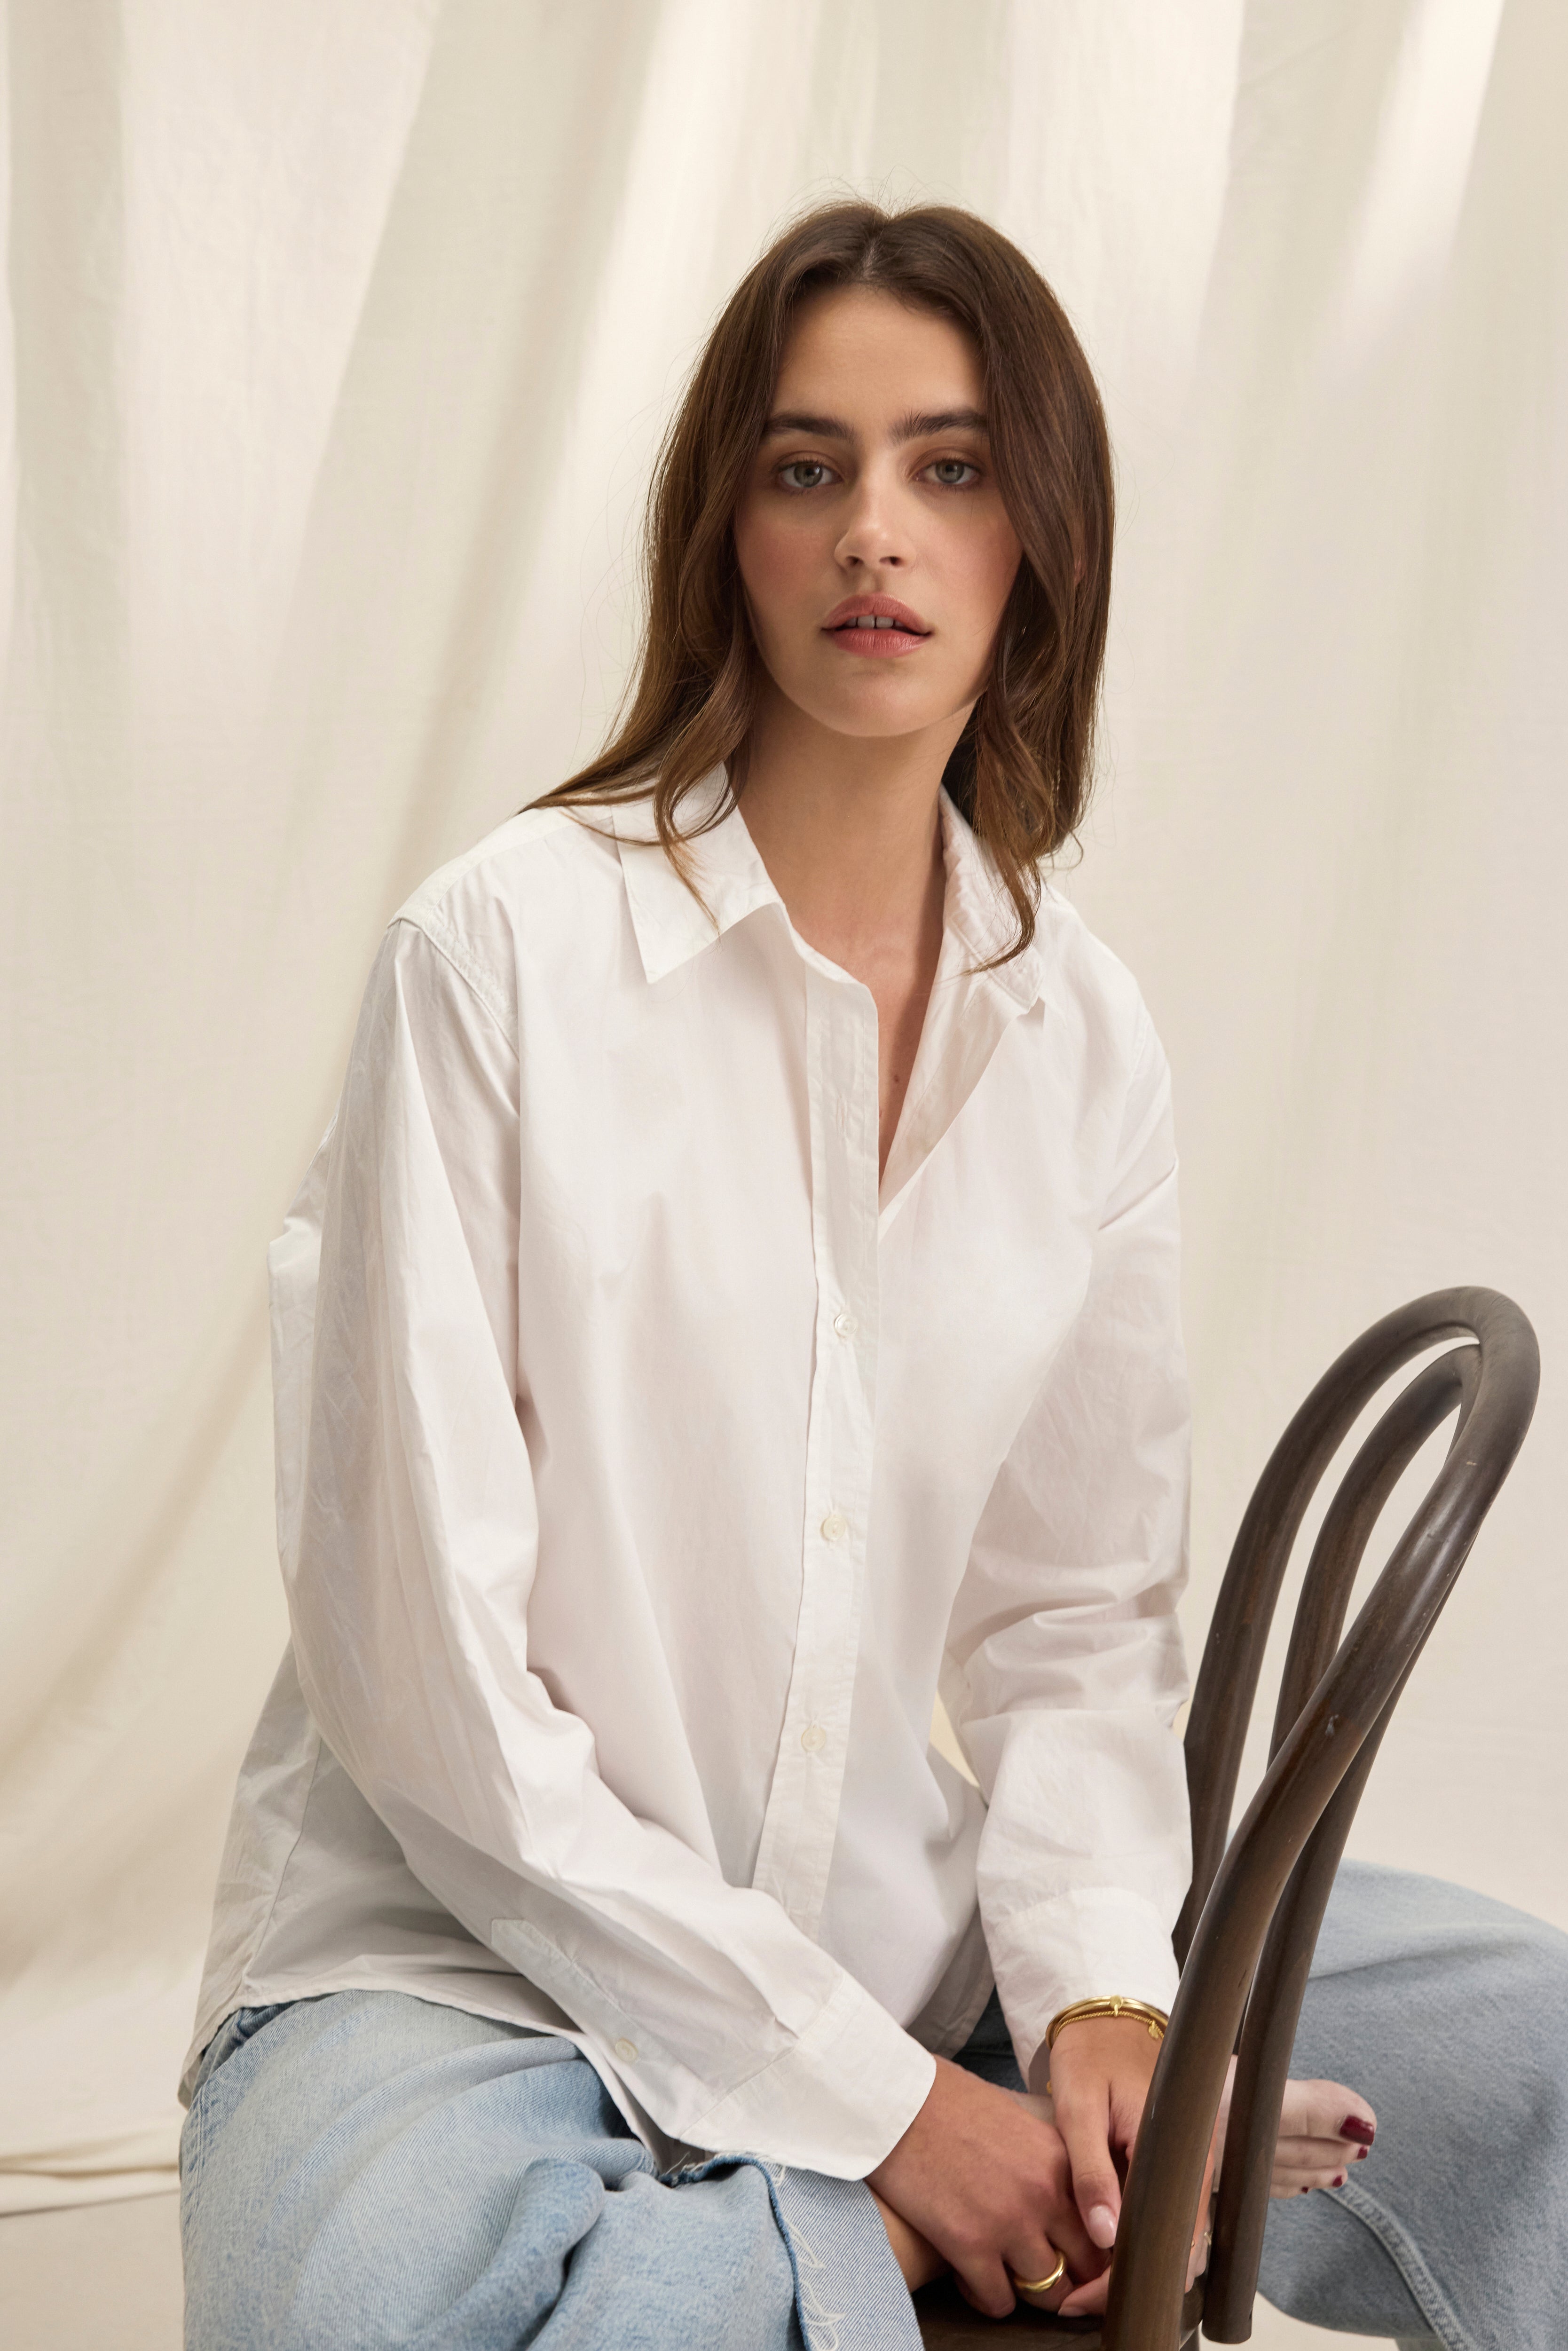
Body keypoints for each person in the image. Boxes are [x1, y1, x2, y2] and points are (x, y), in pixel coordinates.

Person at [180, 202, 1568, 2351]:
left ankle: (862, 2225)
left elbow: (1072, 1618)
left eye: (951, 466)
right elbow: (428, 1694)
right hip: (459, 1966)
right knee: (439, 2313)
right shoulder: (501, 955)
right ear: (725, 529)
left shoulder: (1077, 1032)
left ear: (1042, 539)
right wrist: (893, 2115)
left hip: (917, 1949)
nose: (873, 535)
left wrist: (1103, 1993)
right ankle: (867, 2231)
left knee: (1547, 2062)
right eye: (806, 467)